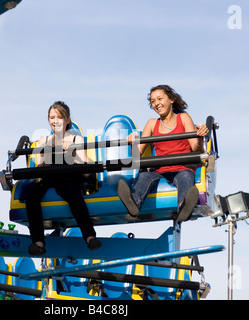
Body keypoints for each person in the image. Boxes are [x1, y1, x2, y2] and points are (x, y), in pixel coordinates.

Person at [117, 85, 209, 222]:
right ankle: (133, 204)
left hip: (182, 167)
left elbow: (195, 149)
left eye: (160, 99)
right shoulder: (152, 123)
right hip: (160, 170)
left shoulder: (183, 118)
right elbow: (136, 156)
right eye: (153, 101)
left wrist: (200, 137)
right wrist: (133, 143)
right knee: (145, 176)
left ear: (171, 99)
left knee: (185, 176)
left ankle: (184, 207)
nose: (156, 104)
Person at [24, 101, 101, 255]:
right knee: (31, 194)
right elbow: (41, 167)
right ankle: (38, 242)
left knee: (71, 192)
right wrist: (46, 156)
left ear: (67, 119)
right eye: (52, 117)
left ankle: (89, 236)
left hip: (70, 176)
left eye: (59, 117)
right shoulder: (44, 140)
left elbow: (84, 165)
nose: (55, 121)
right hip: (50, 177)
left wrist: (70, 152)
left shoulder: (75, 139)